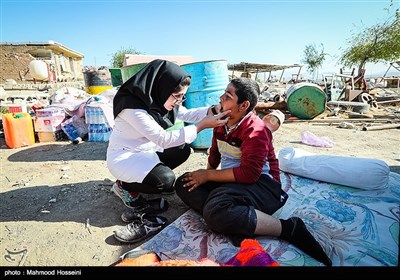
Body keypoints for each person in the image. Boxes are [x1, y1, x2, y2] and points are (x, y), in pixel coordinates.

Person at [175, 77, 332, 266]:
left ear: (244, 105)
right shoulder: (222, 120)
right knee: (184, 183)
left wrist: (208, 175)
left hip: (264, 187)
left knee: (216, 211)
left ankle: (289, 228)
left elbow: (249, 174)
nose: (221, 98)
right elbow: (215, 153)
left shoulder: (256, 131)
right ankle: (235, 220)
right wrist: (204, 179)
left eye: (227, 96)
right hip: (234, 184)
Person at [106, 59, 229, 243]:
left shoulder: (158, 98)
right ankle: (124, 186)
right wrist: (203, 125)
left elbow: (186, 114)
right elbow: (162, 138)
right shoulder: (132, 108)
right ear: (162, 86)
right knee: (166, 181)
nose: (179, 101)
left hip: (145, 150)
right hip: (124, 157)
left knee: (182, 149)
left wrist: (211, 110)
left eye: (182, 97)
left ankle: (144, 178)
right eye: (177, 96)